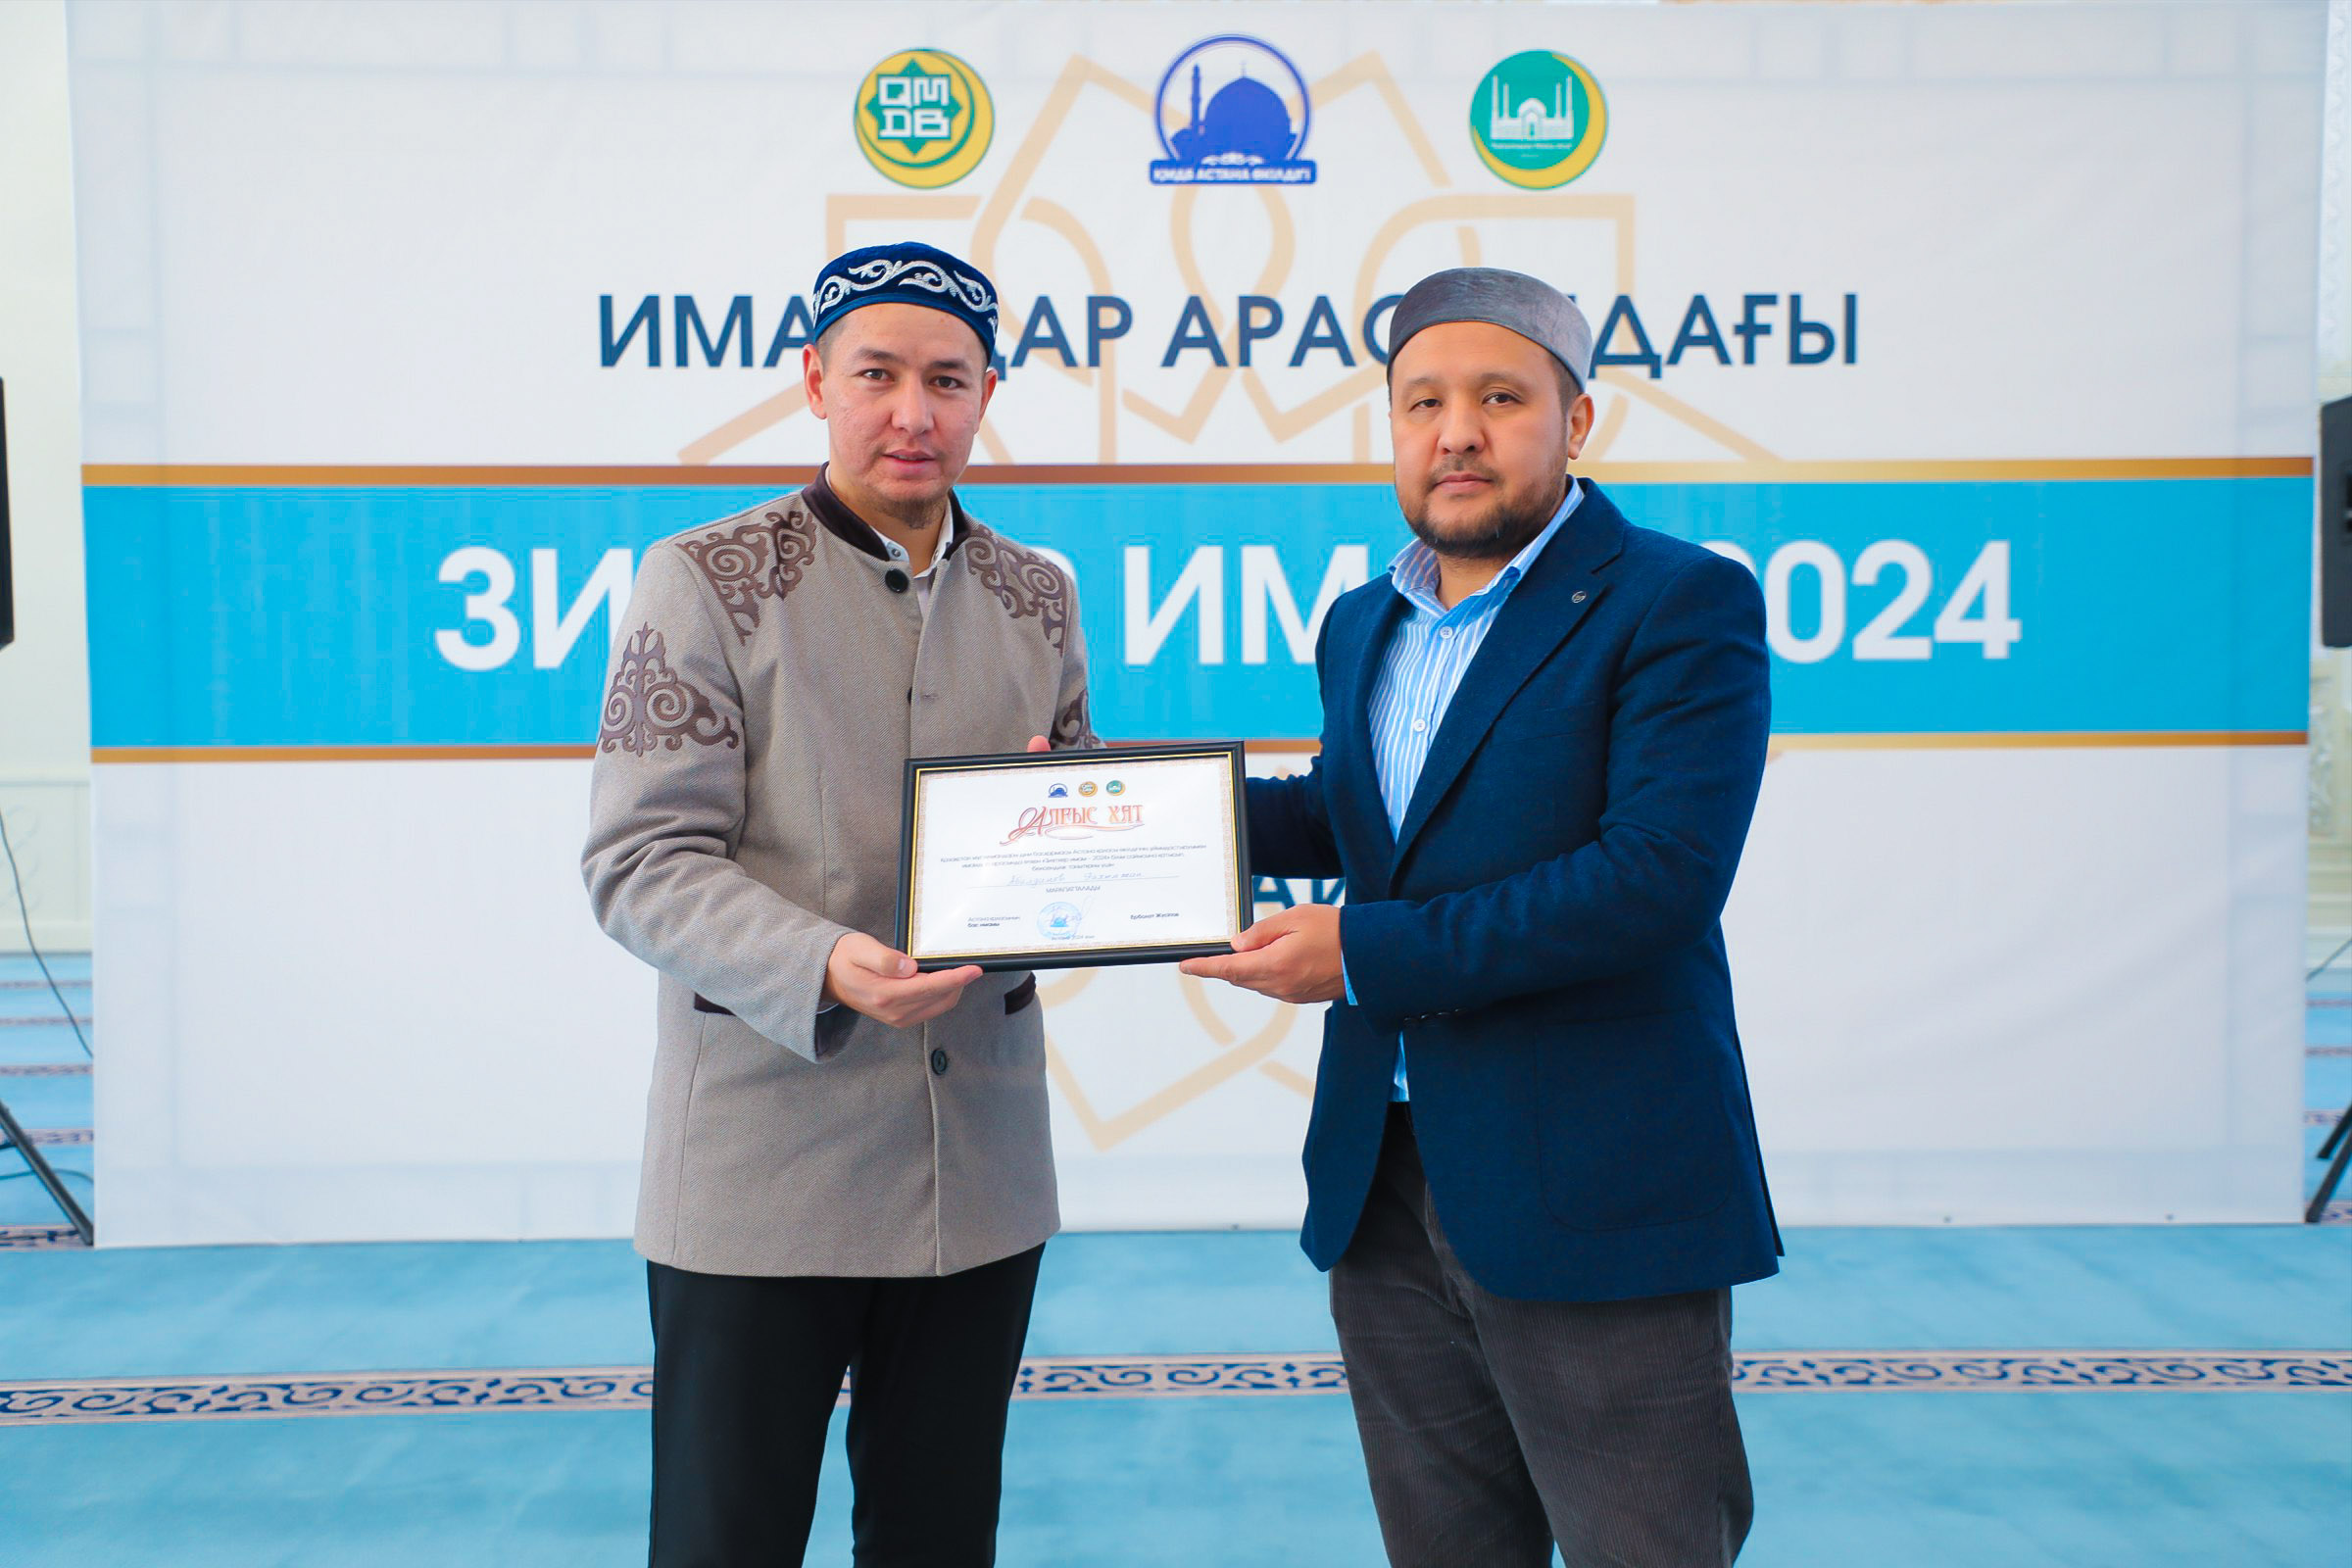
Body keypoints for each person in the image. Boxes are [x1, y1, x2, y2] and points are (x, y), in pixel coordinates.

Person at [1182, 266, 1779, 1567]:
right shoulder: (1365, 621)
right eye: (1423, 403)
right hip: (1385, 1177)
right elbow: (1357, 820)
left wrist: (1364, 953)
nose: (1456, 432)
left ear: (1578, 421)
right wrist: (1117, 817)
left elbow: (1656, 877)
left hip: (1592, 1180)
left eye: (1500, 398)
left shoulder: (1678, 599)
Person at [582, 240, 1098, 1566]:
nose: (912, 413)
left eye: (948, 380)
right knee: (726, 1540)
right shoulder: (705, 578)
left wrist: (1083, 851)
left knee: (940, 1539)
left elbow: (1071, 826)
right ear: (815, 381)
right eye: (876, 375)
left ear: (988, 394)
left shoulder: (1039, 595)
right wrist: (825, 962)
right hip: (763, 1171)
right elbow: (639, 861)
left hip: (976, 1172)